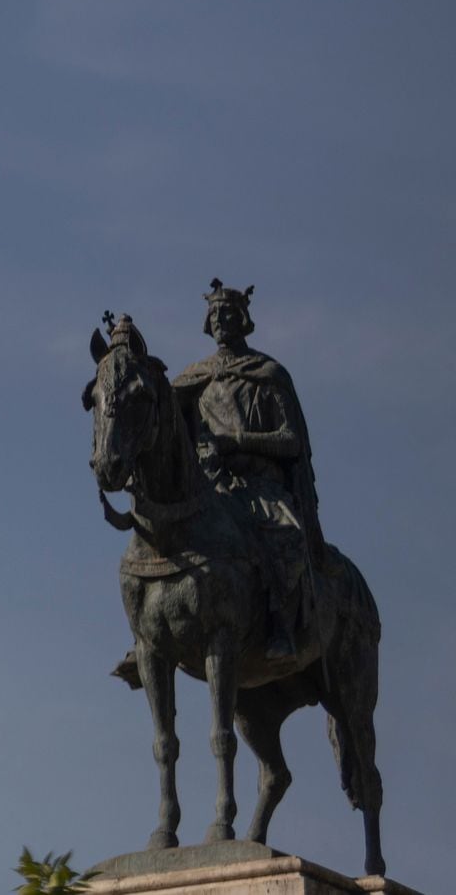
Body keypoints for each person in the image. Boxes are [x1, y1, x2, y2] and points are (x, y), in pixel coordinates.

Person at [173, 280, 326, 661]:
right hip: (211, 487)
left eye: (227, 313)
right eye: (213, 314)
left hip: (260, 487)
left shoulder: (268, 374)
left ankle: (282, 625)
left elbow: (291, 439)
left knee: (286, 535)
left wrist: (238, 441)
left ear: (242, 319)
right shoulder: (194, 378)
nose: (219, 319)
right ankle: (152, 632)